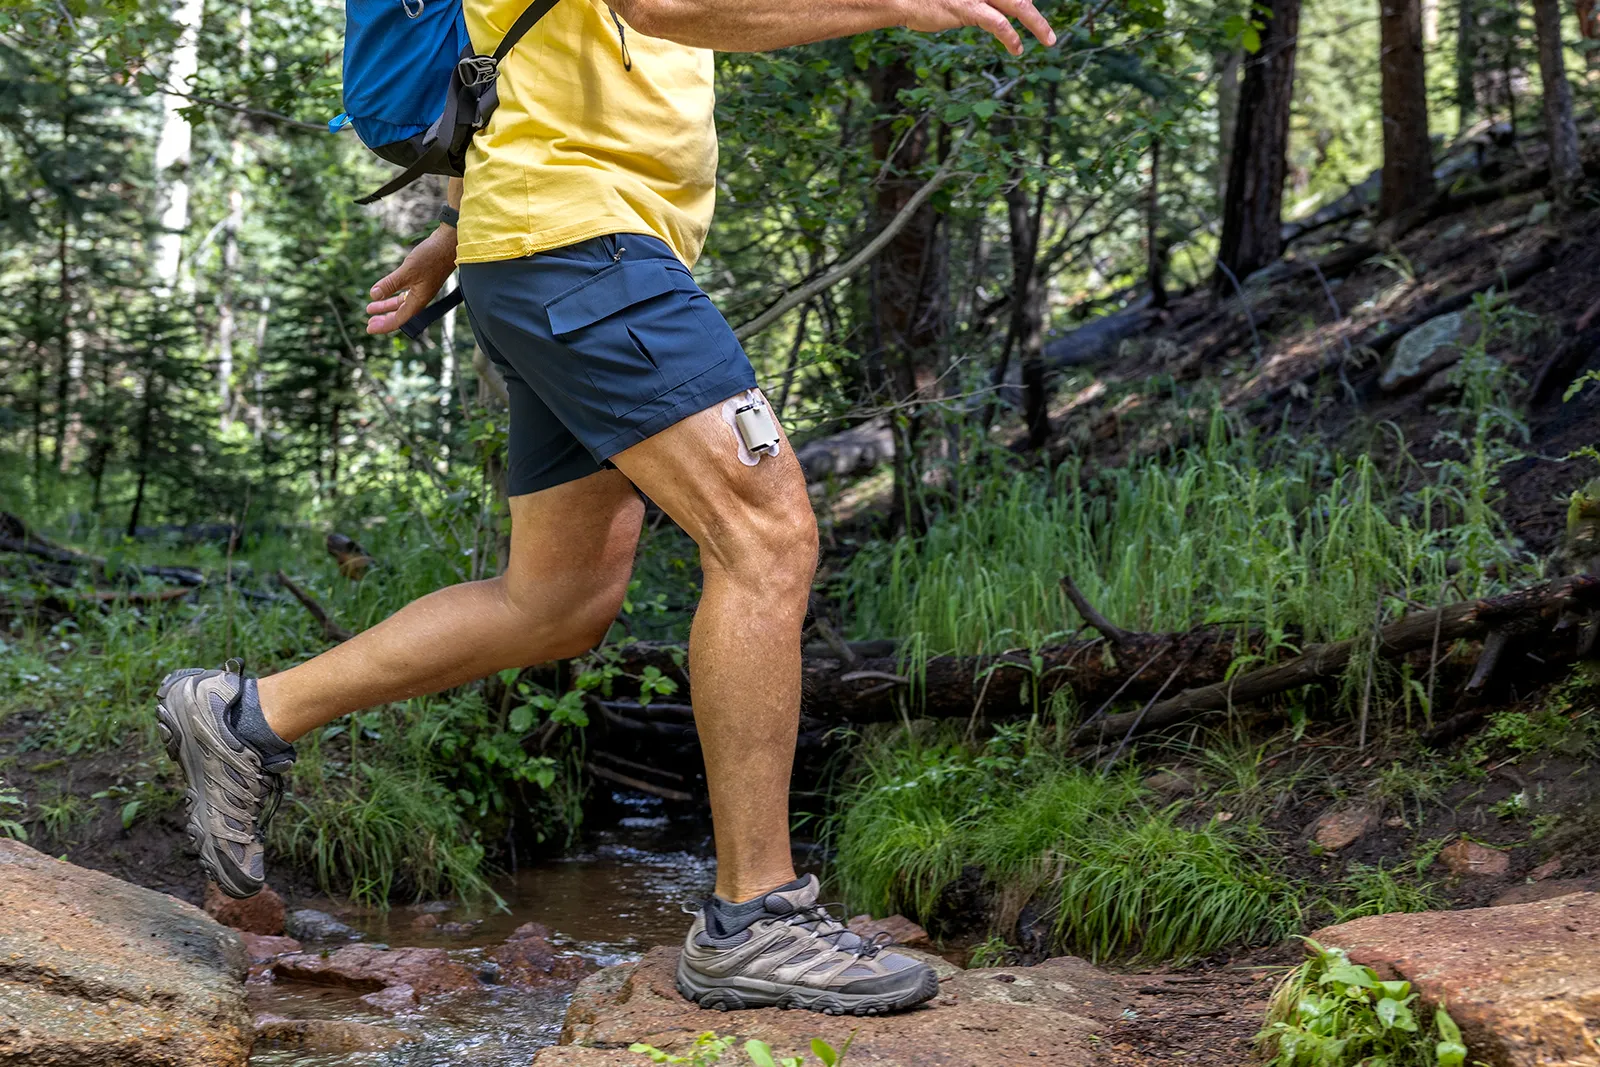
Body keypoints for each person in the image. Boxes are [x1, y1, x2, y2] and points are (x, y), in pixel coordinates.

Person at [156, 0, 1055, 1016]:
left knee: (558, 596)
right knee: (766, 535)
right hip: (584, 251)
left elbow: (541, 53)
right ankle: (754, 916)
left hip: (555, 244)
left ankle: (244, 714)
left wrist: (458, 231)